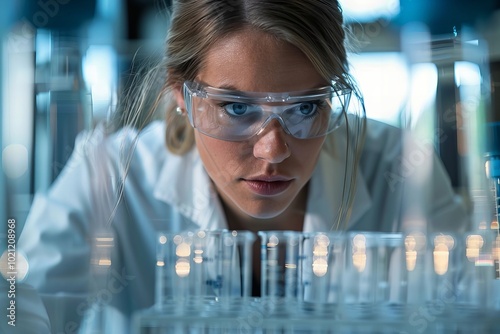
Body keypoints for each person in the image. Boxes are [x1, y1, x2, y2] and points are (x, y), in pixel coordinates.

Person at [12, 0, 468, 333]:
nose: (273, 150)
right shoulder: (111, 175)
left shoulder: (399, 167)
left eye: (305, 109)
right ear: (182, 100)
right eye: (235, 109)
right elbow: (20, 310)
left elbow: (473, 306)